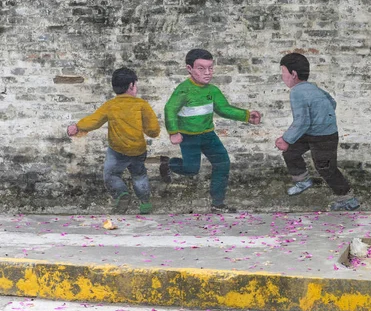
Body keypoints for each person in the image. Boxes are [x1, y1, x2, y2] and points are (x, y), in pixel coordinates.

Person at [160, 48, 261, 213]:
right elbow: (170, 109)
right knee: (192, 169)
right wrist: (173, 132)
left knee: (222, 163)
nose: (207, 73)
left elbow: (223, 109)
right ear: (189, 69)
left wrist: (247, 115)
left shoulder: (212, 90)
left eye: (210, 68)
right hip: (189, 137)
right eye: (201, 68)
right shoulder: (184, 90)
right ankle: (168, 164)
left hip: (208, 135)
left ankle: (218, 204)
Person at [66, 67, 160, 214]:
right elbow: (153, 129)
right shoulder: (142, 105)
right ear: (131, 85)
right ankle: (145, 203)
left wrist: (77, 126)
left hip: (117, 151)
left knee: (111, 175)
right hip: (138, 150)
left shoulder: (110, 105)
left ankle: (122, 193)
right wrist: (150, 132)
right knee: (139, 175)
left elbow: (94, 121)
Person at [276, 52, 360, 211]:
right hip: (312, 132)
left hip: (324, 136)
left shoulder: (297, 92)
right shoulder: (313, 87)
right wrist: (321, 118)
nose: (282, 77)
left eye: (283, 72)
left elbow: (302, 121)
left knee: (326, 168)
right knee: (291, 152)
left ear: (293, 74)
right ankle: (302, 180)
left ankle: (348, 198)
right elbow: (332, 103)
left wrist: (286, 139)